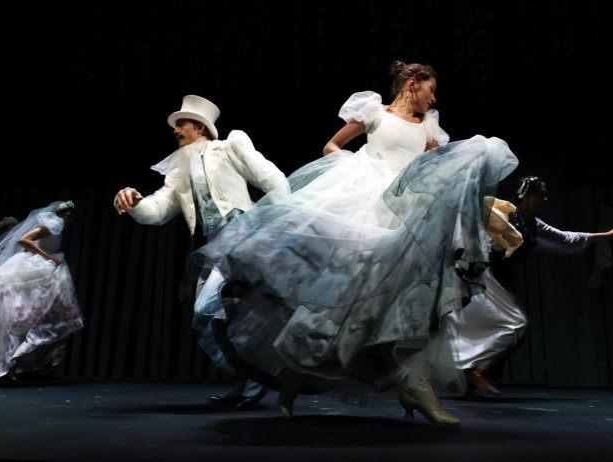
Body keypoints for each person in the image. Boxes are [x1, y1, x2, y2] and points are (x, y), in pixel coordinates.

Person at [191, 61, 519, 425]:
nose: (434, 97)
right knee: (341, 294)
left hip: (406, 212)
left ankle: (417, 385)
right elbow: (331, 146)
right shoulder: (374, 111)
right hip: (365, 205)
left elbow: (432, 171)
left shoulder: (428, 126)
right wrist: (357, 167)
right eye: (431, 89)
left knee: (420, 297)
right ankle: (294, 374)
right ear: (413, 84)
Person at [113, 95, 288, 409]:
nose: (175, 130)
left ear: (200, 128)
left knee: (209, 309)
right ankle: (247, 380)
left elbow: (273, 181)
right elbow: (159, 209)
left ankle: (261, 378)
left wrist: (277, 227)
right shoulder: (179, 168)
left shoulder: (229, 147)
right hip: (211, 248)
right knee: (206, 321)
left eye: (181, 124)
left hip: (242, 237)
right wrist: (136, 202)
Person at [445, 175, 613, 396]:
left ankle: (469, 376)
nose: (545, 199)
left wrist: (606, 235)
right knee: (513, 323)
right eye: (541, 194)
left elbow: (565, 238)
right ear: (527, 195)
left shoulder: (533, 225)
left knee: (503, 327)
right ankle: (473, 371)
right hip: (481, 276)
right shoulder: (504, 214)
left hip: (497, 279)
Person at [0, 200, 83, 384]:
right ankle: (16, 361)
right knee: (28, 314)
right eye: (69, 213)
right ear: (62, 213)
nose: (71, 216)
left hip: (47, 267)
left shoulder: (56, 226)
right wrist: (46, 256)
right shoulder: (50, 225)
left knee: (45, 314)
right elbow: (24, 240)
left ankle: (23, 362)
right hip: (37, 266)